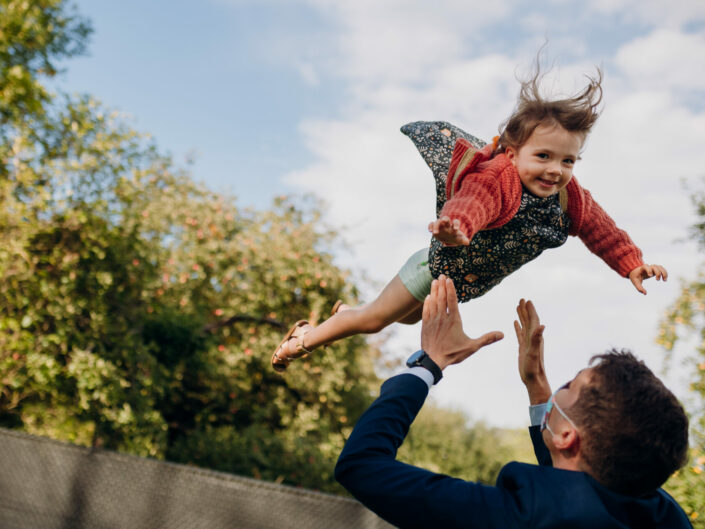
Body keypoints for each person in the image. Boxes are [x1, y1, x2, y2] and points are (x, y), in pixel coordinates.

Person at [271, 65, 668, 372]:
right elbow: (473, 201)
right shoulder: (498, 176)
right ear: (512, 152)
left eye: (567, 160)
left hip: (459, 286)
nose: (555, 170)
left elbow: (603, 229)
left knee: (407, 321)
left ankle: (349, 314)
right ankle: (302, 340)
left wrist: (632, 263)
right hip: (433, 268)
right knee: (375, 321)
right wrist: (457, 227)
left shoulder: (569, 196)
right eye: (543, 156)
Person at [335, 275, 692, 529]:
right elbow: (578, 489)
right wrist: (537, 386)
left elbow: (361, 466)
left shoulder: (524, 515)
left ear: (568, 436)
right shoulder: (664, 515)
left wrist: (429, 363)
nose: (558, 389)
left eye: (569, 385)